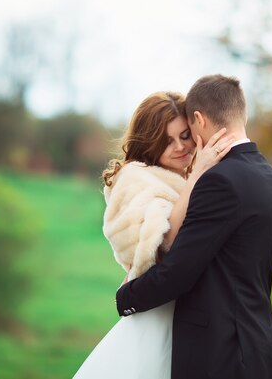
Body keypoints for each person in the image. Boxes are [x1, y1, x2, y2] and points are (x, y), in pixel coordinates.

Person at [116, 75, 272, 379]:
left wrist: (126, 298)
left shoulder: (217, 181)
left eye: (186, 133)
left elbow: (178, 273)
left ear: (198, 119)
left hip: (220, 358)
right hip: (262, 350)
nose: (184, 145)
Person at [73, 91, 234, 379]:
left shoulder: (191, 173)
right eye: (166, 141)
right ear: (149, 143)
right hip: (158, 316)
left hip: (194, 317)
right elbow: (165, 241)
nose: (180, 147)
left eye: (184, 136)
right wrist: (197, 175)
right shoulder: (135, 178)